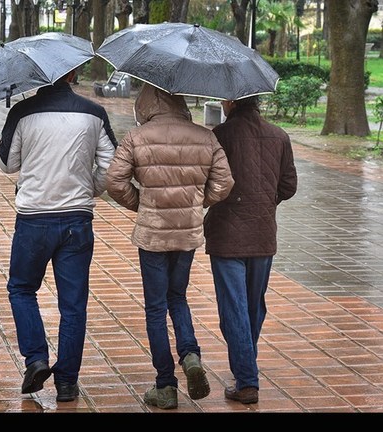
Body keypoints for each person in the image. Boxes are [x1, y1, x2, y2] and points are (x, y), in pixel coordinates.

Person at [106, 84, 235, 410]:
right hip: (187, 234)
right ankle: (190, 355)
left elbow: (115, 181)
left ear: (146, 105)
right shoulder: (205, 137)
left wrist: (142, 204)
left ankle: (165, 385)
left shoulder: (136, 137)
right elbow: (224, 182)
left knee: (154, 308)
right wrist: (195, 204)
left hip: (153, 236)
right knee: (177, 298)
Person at [0, 68, 118, 402]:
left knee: (21, 289)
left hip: (33, 219)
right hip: (77, 220)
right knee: (73, 305)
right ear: (74, 73)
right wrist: (87, 189)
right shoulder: (94, 113)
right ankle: (67, 382)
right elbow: (111, 165)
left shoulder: (22, 112)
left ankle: (36, 358)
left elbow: (7, 164)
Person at [204, 96, 298, 405]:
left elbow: (208, 183)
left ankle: (246, 380)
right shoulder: (280, 136)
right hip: (262, 235)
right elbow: (288, 186)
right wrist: (264, 204)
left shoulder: (219, 135)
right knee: (253, 306)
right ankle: (246, 366)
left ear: (231, 102)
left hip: (226, 235)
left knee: (234, 308)